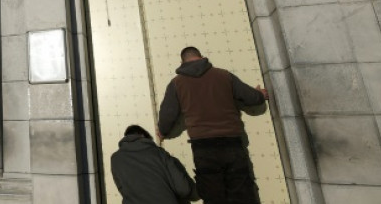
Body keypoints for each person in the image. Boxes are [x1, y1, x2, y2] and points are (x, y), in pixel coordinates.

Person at [157, 47, 268, 204]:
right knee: (242, 193)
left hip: (203, 148)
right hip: (232, 143)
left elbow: (167, 115)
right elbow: (251, 97)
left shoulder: (177, 83)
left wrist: (162, 131)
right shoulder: (224, 75)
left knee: (213, 196)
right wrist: (260, 95)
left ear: (182, 62)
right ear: (201, 57)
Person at [110, 125, 199, 204]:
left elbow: (123, 190)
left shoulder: (115, 159)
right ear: (143, 136)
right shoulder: (159, 153)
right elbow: (183, 188)